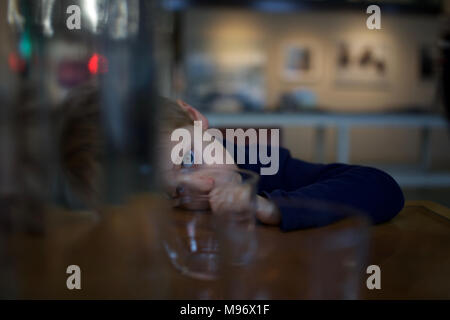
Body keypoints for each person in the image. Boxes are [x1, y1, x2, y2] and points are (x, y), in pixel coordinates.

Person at [59, 84, 405, 231]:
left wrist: (270, 208)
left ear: (195, 118)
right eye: (173, 193)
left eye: (190, 160)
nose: (200, 187)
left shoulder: (263, 163)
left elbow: (381, 187)